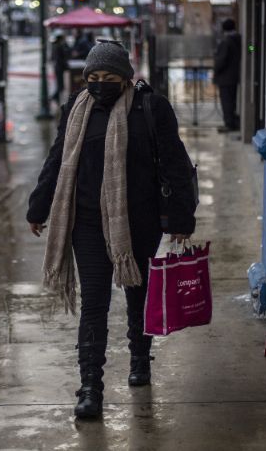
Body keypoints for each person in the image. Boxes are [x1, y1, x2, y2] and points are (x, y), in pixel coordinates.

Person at [26, 40, 198, 420]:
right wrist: (38, 207)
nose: (100, 83)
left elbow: (175, 164)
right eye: (93, 77)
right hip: (84, 221)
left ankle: (140, 357)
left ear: (125, 77)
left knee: (138, 295)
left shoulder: (150, 108)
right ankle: (90, 387)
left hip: (138, 222)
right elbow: (58, 158)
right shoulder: (76, 108)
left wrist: (181, 219)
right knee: (94, 304)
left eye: (109, 77)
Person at [213, 18, 242, 133]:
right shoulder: (240, 39)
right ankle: (233, 122)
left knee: (226, 101)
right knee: (232, 101)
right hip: (234, 76)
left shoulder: (225, 42)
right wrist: (252, 51)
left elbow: (221, 60)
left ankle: (229, 124)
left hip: (225, 78)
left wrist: (215, 71)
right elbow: (251, 48)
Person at [51, 34, 70, 104]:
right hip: (59, 68)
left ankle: (56, 97)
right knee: (61, 85)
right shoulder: (59, 47)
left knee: (60, 85)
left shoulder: (56, 46)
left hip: (58, 68)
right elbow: (62, 58)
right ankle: (55, 97)